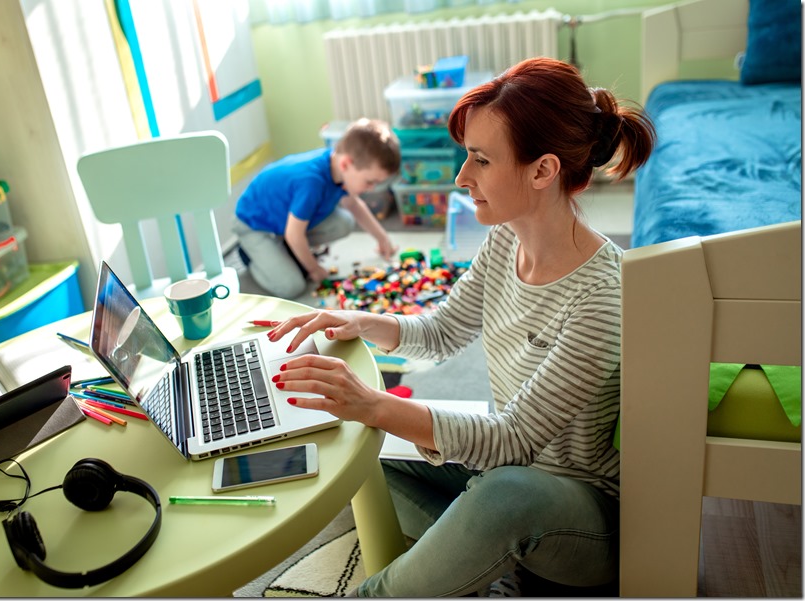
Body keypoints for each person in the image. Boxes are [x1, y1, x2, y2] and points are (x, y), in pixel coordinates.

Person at [263, 57, 656, 597]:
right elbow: (444, 331)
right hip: (503, 475)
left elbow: (513, 440)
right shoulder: (504, 240)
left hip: (581, 517)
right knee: (366, 450)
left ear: (543, 171)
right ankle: (484, 564)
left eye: (480, 160)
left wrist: (373, 402)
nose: (461, 177)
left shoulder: (602, 295)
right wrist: (358, 319)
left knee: (501, 495)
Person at [232, 118, 401, 299]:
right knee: (291, 286)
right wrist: (314, 269)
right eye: (370, 182)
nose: (372, 188)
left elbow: (353, 204)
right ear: (346, 164)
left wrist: (382, 238)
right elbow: (294, 234)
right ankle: (250, 254)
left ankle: (288, 251)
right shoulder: (312, 183)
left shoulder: (337, 166)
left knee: (344, 222)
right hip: (255, 226)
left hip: (285, 222)